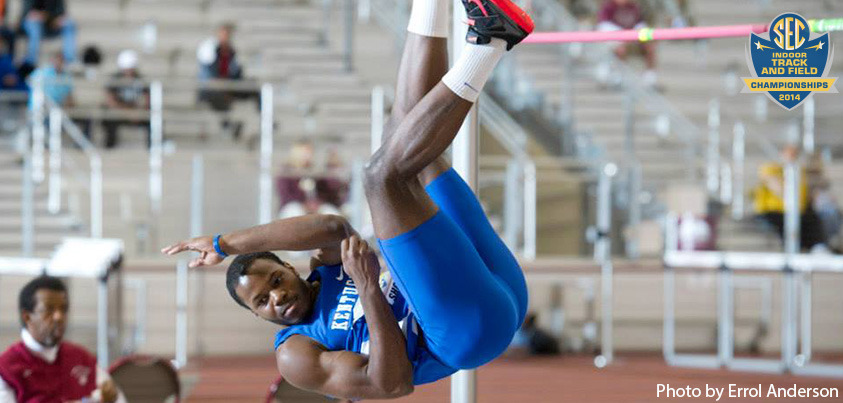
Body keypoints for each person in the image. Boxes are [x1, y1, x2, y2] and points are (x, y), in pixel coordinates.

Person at [162, 0, 533, 399]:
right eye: (263, 301)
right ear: (256, 314)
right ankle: (487, 43)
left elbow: (332, 227)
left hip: (499, 283)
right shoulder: (297, 350)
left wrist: (224, 243)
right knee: (381, 177)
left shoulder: (325, 270)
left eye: (275, 281)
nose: (278, 297)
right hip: (465, 333)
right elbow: (390, 384)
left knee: (404, 139)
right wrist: (368, 287)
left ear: (290, 267)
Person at [0, 276, 126, 402]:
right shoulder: (7, 369)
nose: (58, 316)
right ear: (27, 316)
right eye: (49, 309)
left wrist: (109, 396)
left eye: (63, 309)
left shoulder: (82, 358)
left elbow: (116, 397)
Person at [753, 145, 827, 252]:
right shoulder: (771, 169)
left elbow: (802, 197)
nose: (792, 158)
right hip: (772, 211)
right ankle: (793, 250)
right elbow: (780, 190)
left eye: (794, 155)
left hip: (794, 211)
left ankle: (817, 247)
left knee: (812, 217)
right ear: (781, 154)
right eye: (789, 154)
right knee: (786, 222)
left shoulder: (798, 172)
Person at [197, 23, 250, 139]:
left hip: (228, 86)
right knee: (218, 95)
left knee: (254, 89)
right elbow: (207, 76)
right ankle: (227, 126)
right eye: (223, 34)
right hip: (211, 90)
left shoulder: (231, 51)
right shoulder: (209, 49)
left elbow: (236, 72)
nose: (226, 37)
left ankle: (266, 118)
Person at [596, 0, 658, 87]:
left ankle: (650, 77)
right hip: (615, 41)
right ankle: (619, 76)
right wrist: (623, 36)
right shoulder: (609, 7)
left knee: (650, 47)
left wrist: (636, 34)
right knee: (621, 49)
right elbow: (604, 27)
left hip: (632, 39)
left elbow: (640, 25)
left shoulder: (633, 7)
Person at [103, 49, 150, 149]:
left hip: (136, 113)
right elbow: (110, 101)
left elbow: (147, 100)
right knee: (108, 119)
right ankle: (109, 148)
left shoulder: (140, 80)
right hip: (120, 113)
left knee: (153, 120)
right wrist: (127, 112)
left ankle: (152, 147)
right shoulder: (115, 80)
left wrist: (139, 112)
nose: (128, 72)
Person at [19, 0, 78, 69]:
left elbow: (61, 13)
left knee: (69, 23)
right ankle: (31, 62)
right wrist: (44, 16)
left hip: (50, 25)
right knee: (33, 24)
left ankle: (70, 60)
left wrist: (55, 19)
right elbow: (28, 14)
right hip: (33, 25)